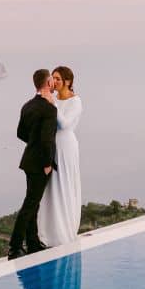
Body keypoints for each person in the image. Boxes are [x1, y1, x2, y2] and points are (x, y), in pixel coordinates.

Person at [9, 69, 57, 260]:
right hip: (40, 164)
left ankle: (33, 242)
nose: (54, 83)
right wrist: (46, 162)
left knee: (33, 203)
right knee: (30, 204)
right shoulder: (49, 109)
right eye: (52, 80)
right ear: (47, 83)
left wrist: (33, 144)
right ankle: (14, 247)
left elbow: (21, 133)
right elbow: (47, 140)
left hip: (28, 160)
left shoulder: (27, 106)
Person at [37, 66, 83, 247]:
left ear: (68, 81)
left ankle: (64, 231)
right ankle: (49, 233)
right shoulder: (53, 99)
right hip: (53, 147)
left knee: (64, 185)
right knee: (52, 188)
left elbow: (64, 124)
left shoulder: (75, 101)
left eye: (57, 78)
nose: (53, 82)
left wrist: (52, 104)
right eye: (53, 78)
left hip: (66, 147)